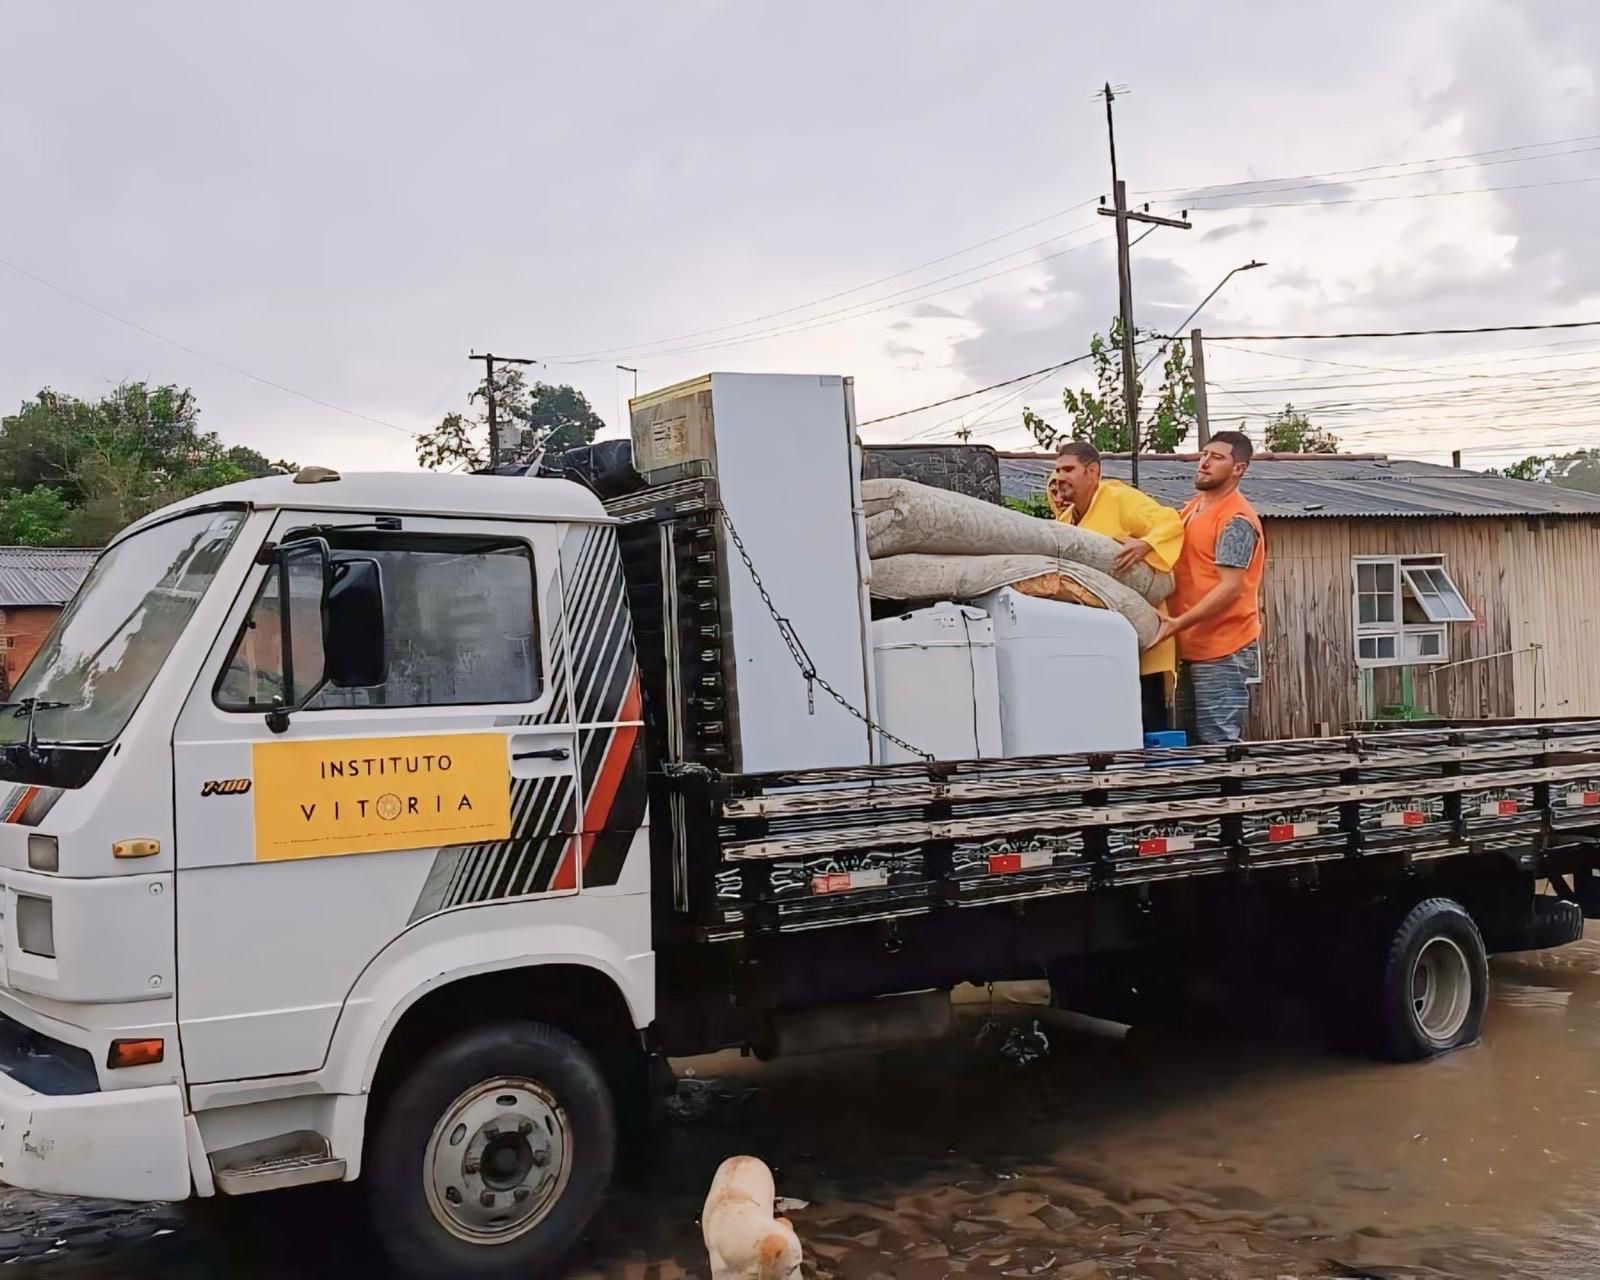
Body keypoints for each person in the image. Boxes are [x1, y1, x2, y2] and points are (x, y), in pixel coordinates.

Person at [1049, 441, 1184, 731]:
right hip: (1097, 646)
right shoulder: (1065, 520)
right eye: (1057, 470)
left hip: (1143, 641)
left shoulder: (1119, 499)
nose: (1060, 476)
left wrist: (1145, 543)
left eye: (1069, 469)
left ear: (1093, 472)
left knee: (1148, 729)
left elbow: (1170, 521)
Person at [1153, 431, 1266, 745]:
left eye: (1217, 458)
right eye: (1204, 454)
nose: (1204, 462)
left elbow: (1230, 588)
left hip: (1223, 647)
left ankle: (1231, 795)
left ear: (1238, 469)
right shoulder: (1193, 508)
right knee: (1190, 740)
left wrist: (1176, 624)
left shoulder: (1236, 519)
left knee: (1218, 739)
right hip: (1192, 645)